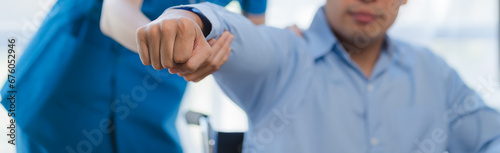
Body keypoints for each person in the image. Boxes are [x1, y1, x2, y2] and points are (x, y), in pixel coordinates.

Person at [136, 0, 500, 152]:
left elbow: (491, 137)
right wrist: (188, 21)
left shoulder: (433, 73)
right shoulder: (286, 56)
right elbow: (239, 33)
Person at [0, 0, 268, 152]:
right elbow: (114, 14)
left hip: (154, 89)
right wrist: (179, 50)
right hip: (73, 73)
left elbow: (253, 38)